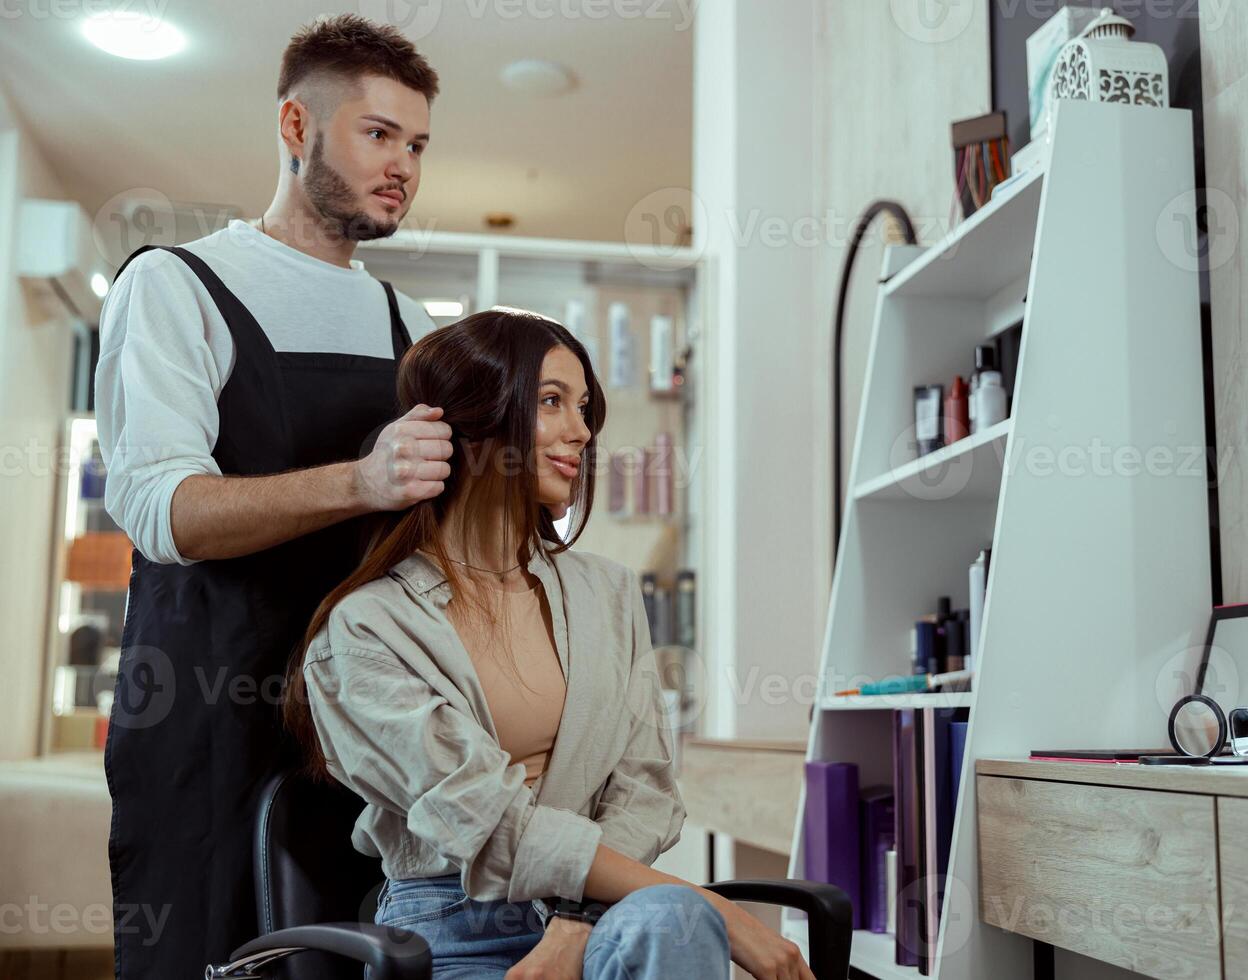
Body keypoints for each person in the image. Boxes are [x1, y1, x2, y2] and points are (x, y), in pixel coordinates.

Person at [284, 309, 817, 980]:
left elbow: (647, 787)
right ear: (473, 425)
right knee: (690, 912)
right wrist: (722, 910)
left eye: (585, 407)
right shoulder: (369, 630)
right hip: (452, 930)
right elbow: (487, 821)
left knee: (675, 920)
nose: (582, 430)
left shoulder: (610, 594)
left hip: (605, 913)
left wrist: (576, 925)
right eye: (552, 402)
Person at [95, 16, 460, 977]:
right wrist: (361, 480)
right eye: (377, 134)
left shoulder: (409, 322)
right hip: (205, 716)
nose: (403, 166)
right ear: (297, 126)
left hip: (361, 727)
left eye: (416, 144)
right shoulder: (178, 286)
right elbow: (166, 512)